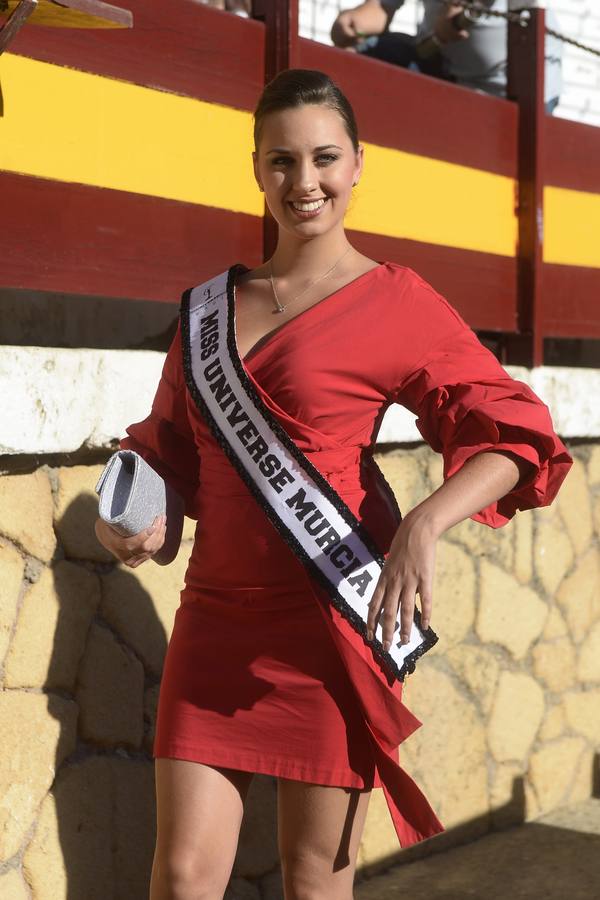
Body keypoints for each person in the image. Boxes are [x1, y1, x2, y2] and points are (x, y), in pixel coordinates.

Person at [95, 68, 572, 900]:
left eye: (323, 159)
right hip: (213, 624)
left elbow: (514, 435)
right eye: (282, 161)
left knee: (315, 880)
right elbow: (166, 450)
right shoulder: (210, 308)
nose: (303, 182)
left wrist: (425, 522)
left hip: (332, 625)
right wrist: (135, 520)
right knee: (179, 878)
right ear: (256, 168)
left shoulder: (396, 301)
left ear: (357, 164)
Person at [331, 0, 563, 113]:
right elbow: (381, 8)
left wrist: (457, 5)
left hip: (519, 89)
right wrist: (353, 22)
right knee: (366, 53)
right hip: (445, 69)